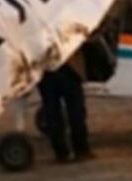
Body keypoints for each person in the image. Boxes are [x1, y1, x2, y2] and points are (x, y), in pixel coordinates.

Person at [37, 9, 120, 163]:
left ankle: (61, 153)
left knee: (52, 112)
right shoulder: (68, 16)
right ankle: (81, 150)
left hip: (45, 70)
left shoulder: (37, 20)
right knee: (75, 111)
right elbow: (87, 36)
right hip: (69, 68)